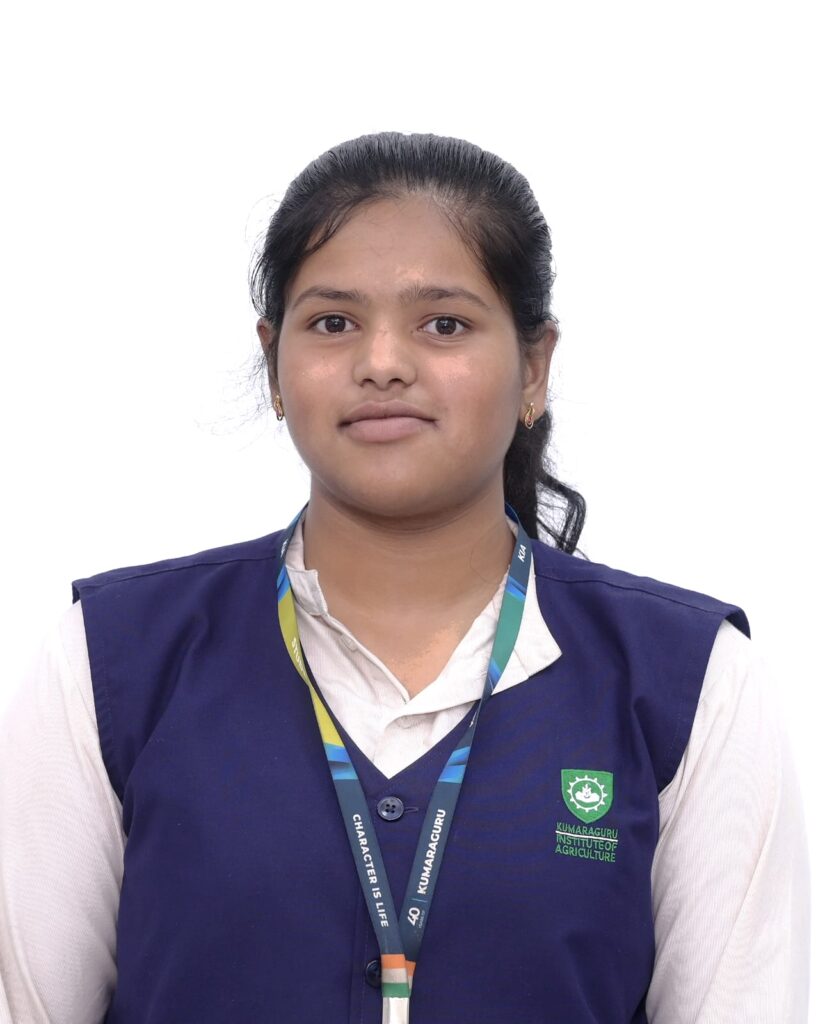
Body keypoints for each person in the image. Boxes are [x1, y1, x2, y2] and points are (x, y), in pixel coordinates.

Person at [0, 132, 809, 1024]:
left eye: (444, 324)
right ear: (275, 365)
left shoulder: (690, 682)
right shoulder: (110, 663)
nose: (382, 362)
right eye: (333, 323)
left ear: (534, 368)